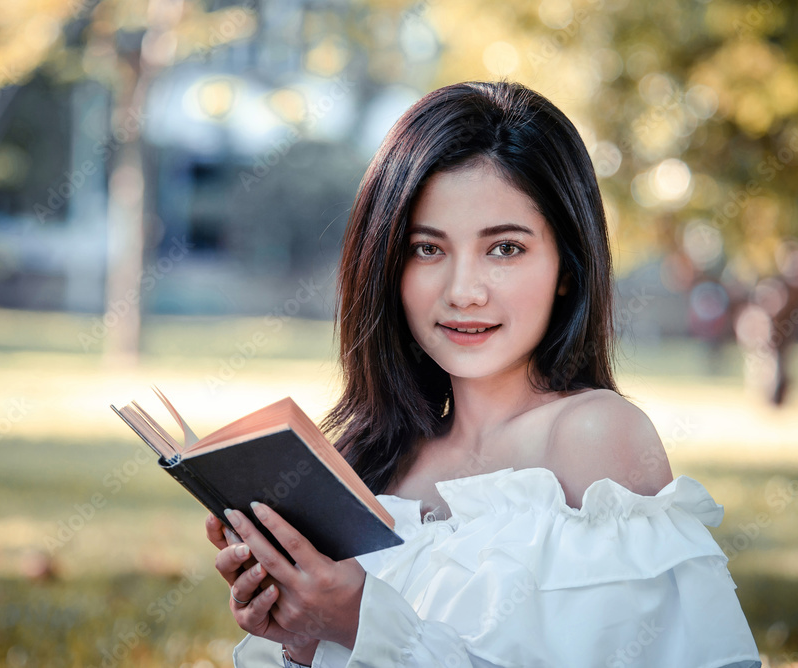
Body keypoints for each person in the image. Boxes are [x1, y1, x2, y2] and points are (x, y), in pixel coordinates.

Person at [205, 79, 762, 667]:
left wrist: (360, 621)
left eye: (505, 249)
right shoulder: (371, 464)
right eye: (427, 249)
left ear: (566, 268)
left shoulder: (593, 438)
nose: (464, 292)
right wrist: (302, 637)